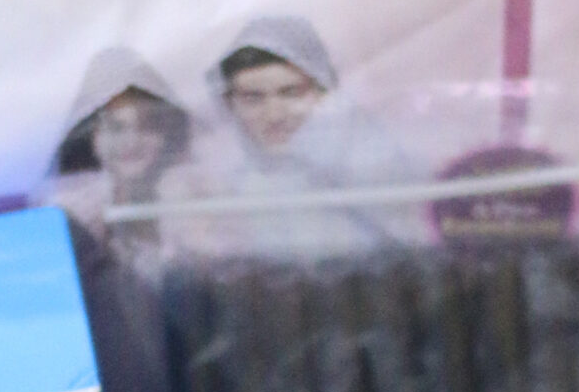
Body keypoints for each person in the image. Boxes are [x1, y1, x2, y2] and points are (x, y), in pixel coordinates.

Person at [172, 15, 413, 259]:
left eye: (291, 93)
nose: (274, 115)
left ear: (323, 91)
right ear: (228, 103)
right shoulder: (212, 181)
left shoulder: (373, 166)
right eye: (253, 98)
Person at [42, 48, 191, 256]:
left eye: (147, 126)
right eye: (116, 128)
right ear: (92, 135)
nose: (132, 141)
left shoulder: (192, 197)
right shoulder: (67, 210)